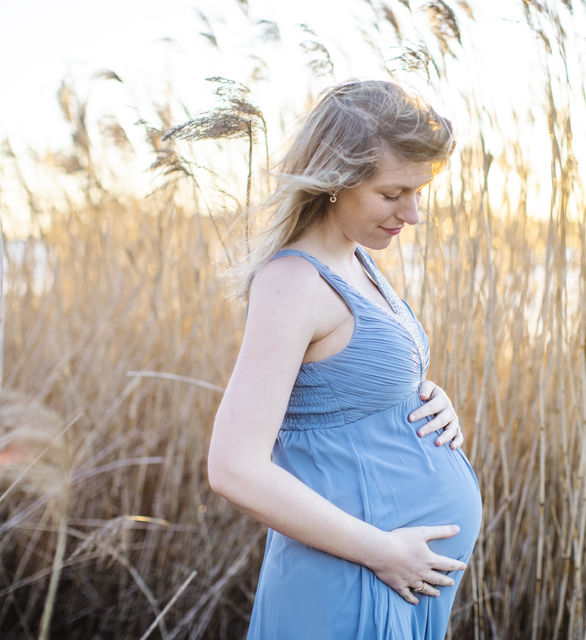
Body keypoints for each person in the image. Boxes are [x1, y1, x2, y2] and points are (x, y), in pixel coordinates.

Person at [207, 79, 482, 640]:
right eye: (392, 194)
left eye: (418, 191)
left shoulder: (355, 260)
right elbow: (234, 467)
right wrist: (383, 551)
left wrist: (425, 398)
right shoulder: (291, 283)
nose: (413, 213)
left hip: (390, 576)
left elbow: (350, 387)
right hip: (351, 581)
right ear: (335, 181)